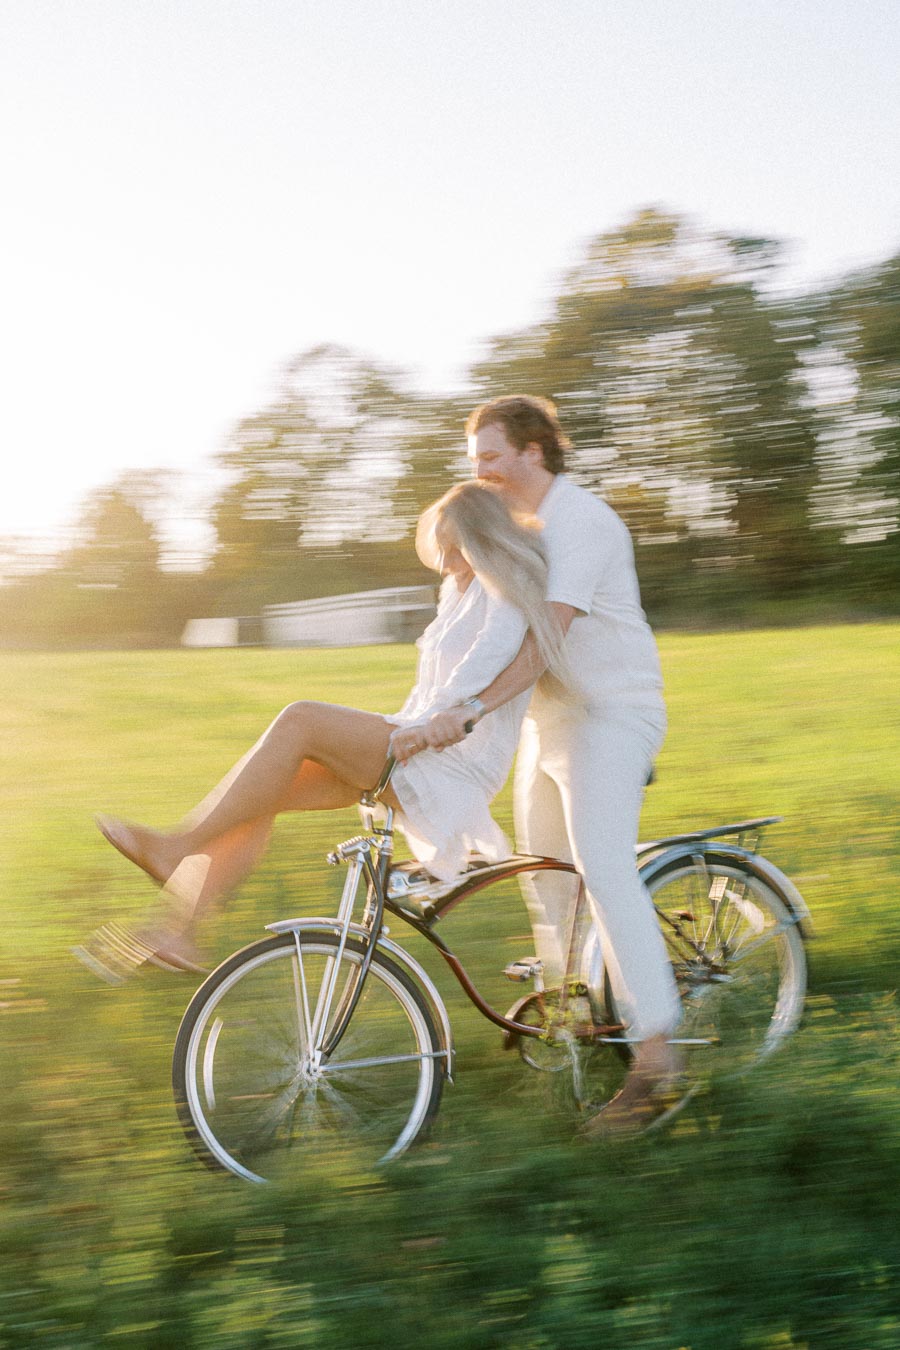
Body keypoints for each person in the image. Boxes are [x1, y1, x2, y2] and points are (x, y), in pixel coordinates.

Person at [76, 481, 568, 983]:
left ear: (480, 538)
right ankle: (180, 929)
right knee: (261, 792)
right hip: (416, 738)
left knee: (301, 719)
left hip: (452, 760)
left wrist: (425, 729)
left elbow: (481, 666)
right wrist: (414, 726)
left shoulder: (504, 588)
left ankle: (179, 846)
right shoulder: (458, 590)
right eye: (439, 548)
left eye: (453, 548)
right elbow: (433, 687)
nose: (443, 562)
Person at [404, 396, 683, 1132]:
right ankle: (571, 1017)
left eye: (491, 458)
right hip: (549, 724)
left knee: (603, 866)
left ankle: (658, 1061)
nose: (481, 473)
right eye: (474, 463)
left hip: (612, 714)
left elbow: (545, 639)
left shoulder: (580, 521)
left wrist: (469, 711)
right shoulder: (514, 531)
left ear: (533, 452)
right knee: (544, 879)